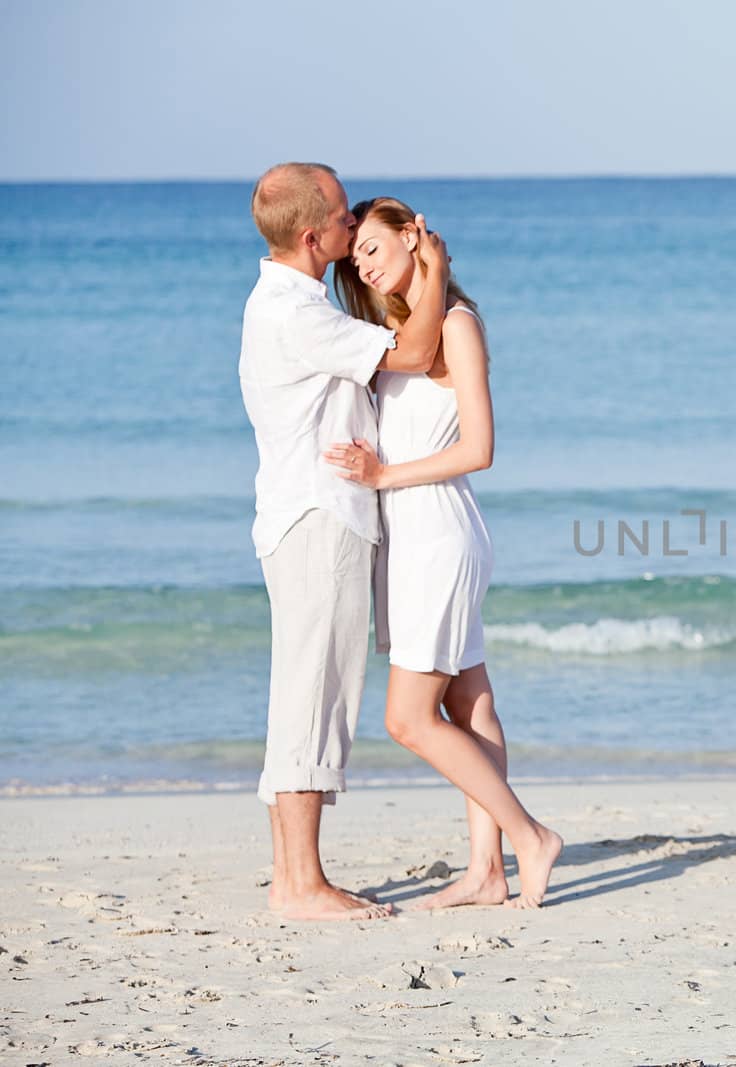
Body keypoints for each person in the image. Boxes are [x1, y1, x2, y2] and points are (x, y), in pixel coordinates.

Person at [325, 196, 563, 909]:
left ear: (412, 235)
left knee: (408, 718)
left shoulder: (457, 324)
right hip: (412, 536)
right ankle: (486, 872)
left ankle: (531, 835)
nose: (362, 264)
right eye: (354, 258)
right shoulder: (395, 333)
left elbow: (479, 449)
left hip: (439, 533)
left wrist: (382, 475)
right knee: (469, 701)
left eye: (372, 246)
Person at [239, 163, 450, 921]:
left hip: (304, 517)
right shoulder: (296, 313)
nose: (348, 222)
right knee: (314, 697)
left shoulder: (287, 301)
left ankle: (293, 876)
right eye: (337, 215)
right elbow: (416, 354)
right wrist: (436, 268)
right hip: (319, 518)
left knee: (303, 691)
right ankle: (301, 884)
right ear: (310, 236)